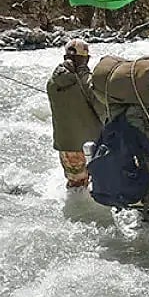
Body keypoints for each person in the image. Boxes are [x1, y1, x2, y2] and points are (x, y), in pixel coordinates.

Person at [47, 39, 103, 189]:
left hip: (65, 146)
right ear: (85, 59)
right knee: (98, 186)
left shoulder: (52, 82)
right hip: (89, 146)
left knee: (75, 187)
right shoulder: (87, 82)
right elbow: (103, 112)